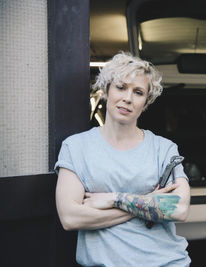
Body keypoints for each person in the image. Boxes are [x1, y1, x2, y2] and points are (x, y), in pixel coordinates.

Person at [55, 52, 191, 267]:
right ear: (107, 90)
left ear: (145, 102)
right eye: (121, 87)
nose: (128, 98)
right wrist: (148, 203)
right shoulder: (76, 147)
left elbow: (179, 209)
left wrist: (113, 198)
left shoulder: (164, 148)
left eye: (138, 92)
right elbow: (71, 218)